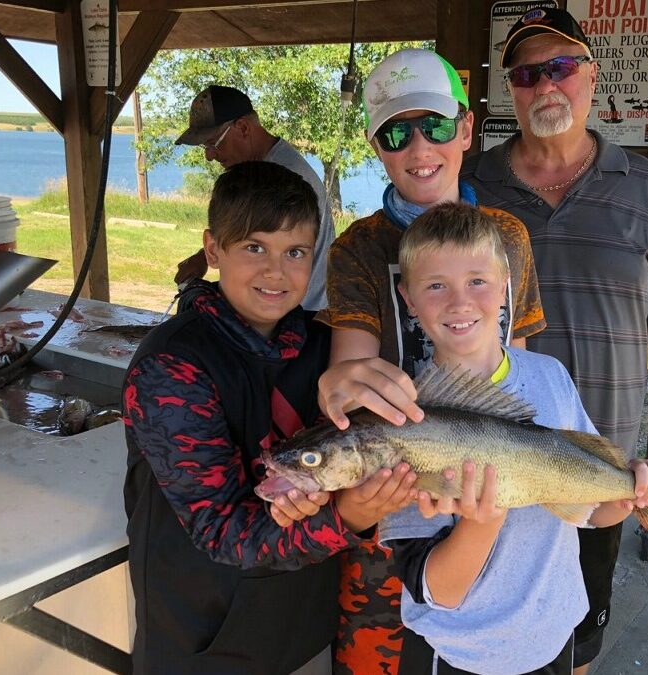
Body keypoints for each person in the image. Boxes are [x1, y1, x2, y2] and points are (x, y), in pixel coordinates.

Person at [461, 8, 648, 672]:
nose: (546, 84)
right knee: (481, 630)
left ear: (591, 77)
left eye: (561, 67)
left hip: (602, 462)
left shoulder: (644, 186)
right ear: (510, 88)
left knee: (578, 645)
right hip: (493, 456)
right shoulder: (474, 185)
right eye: (527, 72)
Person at [122, 161, 417, 675]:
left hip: (305, 628)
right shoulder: (172, 367)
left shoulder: (325, 346)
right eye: (254, 247)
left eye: (295, 252)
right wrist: (348, 517)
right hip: (207, 643)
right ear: (213, 250)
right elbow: (224, 532)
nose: (276, 272)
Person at [309, 48, 546, 674]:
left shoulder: (508, 237)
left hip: (483, 481)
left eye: (436, 125)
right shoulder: (357, 247)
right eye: (396, 131)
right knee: (386, 656)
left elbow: (515, 377)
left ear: (466, 129)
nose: (420, 147)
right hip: (396, 493)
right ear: (376, 144)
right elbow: (351, 372)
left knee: (486, 637)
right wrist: (338, 385)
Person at [379, 203, 648, 675]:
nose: (460, 302)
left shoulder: (551, 377)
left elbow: (590, 511)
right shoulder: (402, 420)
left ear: (505, 287)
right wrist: (482, 523)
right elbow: (439, 590)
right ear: (409, 299)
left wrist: (633, 492)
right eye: (436, 286)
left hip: (551, 638)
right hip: (459, 655)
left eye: (478, 281)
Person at [173, 85, 335, 310]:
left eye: (213, 143)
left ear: (243, 128)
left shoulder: (283, 179)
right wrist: (206, 255)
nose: (209, 156)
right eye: (205, 146)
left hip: (294, 320)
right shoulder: (271, 171)